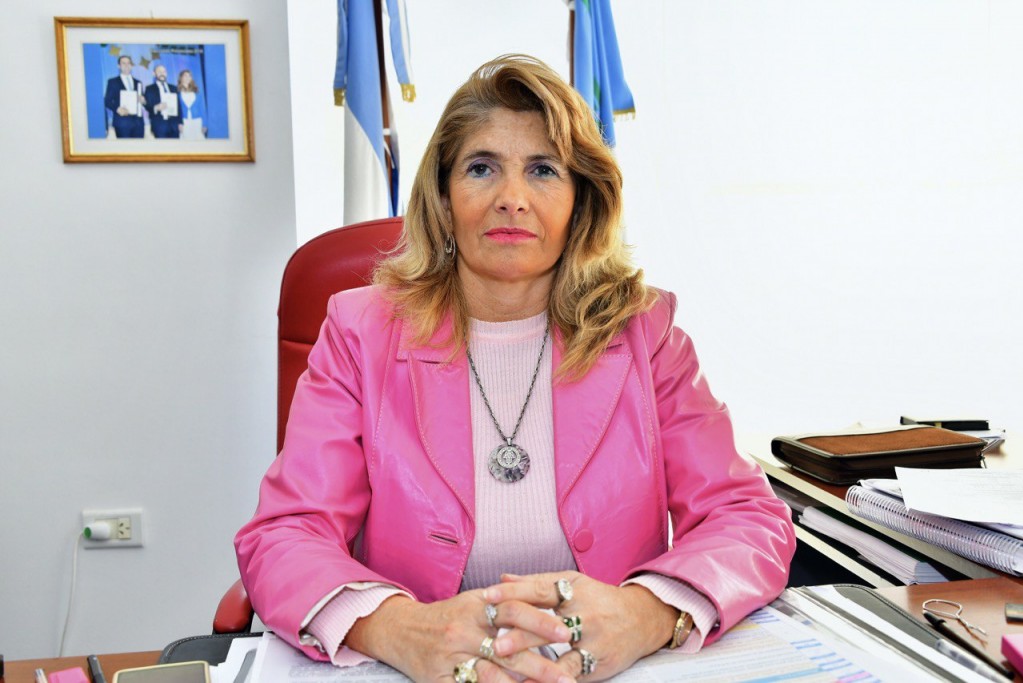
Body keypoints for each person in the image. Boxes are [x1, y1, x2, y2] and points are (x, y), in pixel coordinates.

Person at [235, 54, 796, 683]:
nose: (511, 199)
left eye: (543, 170)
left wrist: (645, 614)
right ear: (443, 198)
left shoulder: (646, 332)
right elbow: (286, 534)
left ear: (581, 200)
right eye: (481, 168)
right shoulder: (359, 333)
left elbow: (746, 517)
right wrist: (400, 628)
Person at [103, 55, 145, 138]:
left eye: (129, 63)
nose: (126, 65)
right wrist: (117, 109)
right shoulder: (112, 82)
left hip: (138, 123)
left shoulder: (138, 82)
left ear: (131, 66)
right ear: (118, 66)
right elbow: (107, 101)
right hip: (122, 122)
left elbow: (143, 101)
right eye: (123, 63)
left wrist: (144, 100)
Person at [144, 64, 180, 138]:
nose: (162, 73)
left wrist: (180, 122)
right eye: (159, 71)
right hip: (159, 125)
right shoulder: (149, 89)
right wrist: (156, 108)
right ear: (154, 74)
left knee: (175, 145)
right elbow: (147, 105)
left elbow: (179, 106)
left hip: (174, 124)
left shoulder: (174, 88)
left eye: (164, 71)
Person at [176, 70, 207, 139]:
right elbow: (177, 110)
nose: (188, 77)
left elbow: (202, 109)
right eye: (185, 75)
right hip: (184, 122)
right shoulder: (177, 93)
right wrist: (179, 123)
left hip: (197, 122)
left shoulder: (197, 92)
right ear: (181, 78)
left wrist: (205, 124)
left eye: (189, 76)